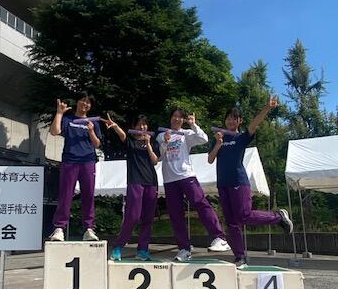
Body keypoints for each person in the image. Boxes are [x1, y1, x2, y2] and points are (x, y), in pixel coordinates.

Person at [208, 97, 293, 268]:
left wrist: (267, 108)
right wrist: (218, 143)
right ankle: (240, 257)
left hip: (238, 182)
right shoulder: (219, 138)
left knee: (244, 215)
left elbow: (254, 125)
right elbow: (210, 159)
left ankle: (278, 217)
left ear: (240, 121)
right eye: (228, 118)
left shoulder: (241, 137)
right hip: (222, 184)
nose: (231, 121)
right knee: (231, 223)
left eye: (234, 118)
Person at [157, 109, 230, 261]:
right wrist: (165, 141)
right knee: (175, 215)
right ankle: (184, 249)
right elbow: (160, 156)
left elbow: (203, 139)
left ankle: (219, 238)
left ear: (183, 120)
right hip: (169, 179)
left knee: (201, 204)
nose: (177, 119)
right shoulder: (161, 135)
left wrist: (193, 124)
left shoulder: (187, 134)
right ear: (170, 118)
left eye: (180, 117)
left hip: (186, 175)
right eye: (174, 116)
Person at [48, 91, 101, 241]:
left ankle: (89, 228)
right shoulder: (68, 119)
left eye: (88, 102)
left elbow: (97, 144)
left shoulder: (93, 122)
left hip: (88, 161)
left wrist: (91, 131)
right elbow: (54, 132)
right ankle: (59, 228)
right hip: (70, 160)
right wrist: (59, 113)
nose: (85, 104)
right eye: (83, 100)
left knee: (88, 194)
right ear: (77, 102)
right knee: (65, 194)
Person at [105, 114, 159, 262]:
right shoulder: (130, 142)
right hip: (135, 181)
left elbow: (155, 161)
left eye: (144, 124)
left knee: (148, 218)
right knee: (133, 216)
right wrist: (116, 126)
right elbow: (122, 136)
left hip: (151, 182)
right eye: (139, 124)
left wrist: (148, 144)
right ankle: (118, 247)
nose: (142, 127)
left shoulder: (153, 143)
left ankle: (142, 250)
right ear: (134, 127)